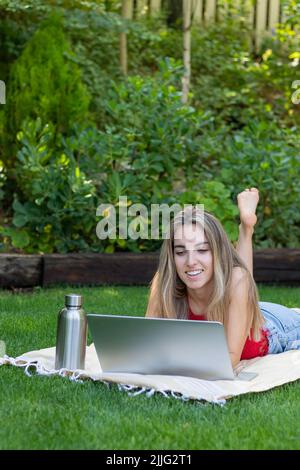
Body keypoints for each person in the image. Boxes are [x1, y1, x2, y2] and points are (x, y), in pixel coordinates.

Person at [145, 188, 300, 368]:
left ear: (217, 252)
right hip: (242, 304)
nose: (190, 261)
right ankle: (246, 228)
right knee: (240, 284)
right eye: (180, 252)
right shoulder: (165, 281)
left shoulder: (237, 280)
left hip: (278, 326)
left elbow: (229, 360)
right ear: (171, 256)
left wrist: (171, 360)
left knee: (240, 279)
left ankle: (246, 228)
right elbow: (148, 344)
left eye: (202, 250)